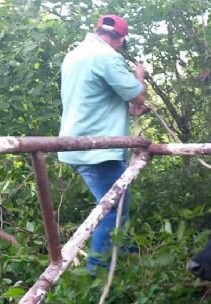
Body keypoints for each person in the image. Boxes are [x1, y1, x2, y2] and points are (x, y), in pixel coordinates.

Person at [58, 14, 148, 271]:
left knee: (115, 203)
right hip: (97, 150)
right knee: (113, 208)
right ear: (120, 40)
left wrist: (128, 112)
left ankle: (127, 257)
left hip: (77, 144)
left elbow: (92, 102)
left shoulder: (75, 56)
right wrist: (139, 75)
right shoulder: (107, 56)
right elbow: (138, 96)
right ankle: (96, 274)